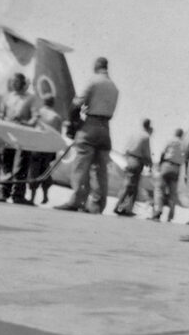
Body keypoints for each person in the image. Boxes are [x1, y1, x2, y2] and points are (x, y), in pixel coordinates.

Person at [54, 57, 119, 213]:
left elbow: (77, 104)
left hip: (90, 126)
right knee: (100, 169)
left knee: (81, 166)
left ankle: (77, 201)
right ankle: (97, 205)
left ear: (96, 66)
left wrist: (72, 123)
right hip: (105, 129)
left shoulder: (93, 81)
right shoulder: (114, 87)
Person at [0, 72, 39, 204]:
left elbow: (35, 118)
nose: (14, 84)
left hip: (23, 135)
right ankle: (3, 192)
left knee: (21, 165)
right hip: (8, 133)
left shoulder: (31, 98)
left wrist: (25, 123)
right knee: (6, 163)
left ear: (23, 83)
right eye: (12, 82)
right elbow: (0, 114)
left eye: (17, 82)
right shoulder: (8, 98)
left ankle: (18, 194)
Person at [27, 95, 63, 205]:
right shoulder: (57, 117)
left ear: (44, 102)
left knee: (34, 171)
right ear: (53, 103)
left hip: (37, 146)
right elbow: (58, 135)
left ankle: (32, 198)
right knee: (45, 171)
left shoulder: (38, 113)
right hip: (49, 147)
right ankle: (45, 196)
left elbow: (31, 126)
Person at [113, 118, 153, 217]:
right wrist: (150, 163)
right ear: (149, 126)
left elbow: (126, 149)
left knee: (127, 184)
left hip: (128, 159)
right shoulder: (146, 136)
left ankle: (120, 206)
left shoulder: (134, 134)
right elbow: (146, 153)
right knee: (133, 188)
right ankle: (125, 208)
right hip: (137, 162)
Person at [150, 128, 184, 222]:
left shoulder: (170, 140)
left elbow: (163, 152)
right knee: (173, 193)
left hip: (167, 165)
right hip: (177, 168)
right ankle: (170, 216)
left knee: (159, 189)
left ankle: (158, 211)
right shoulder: (184, 144)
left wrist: (160, 165)